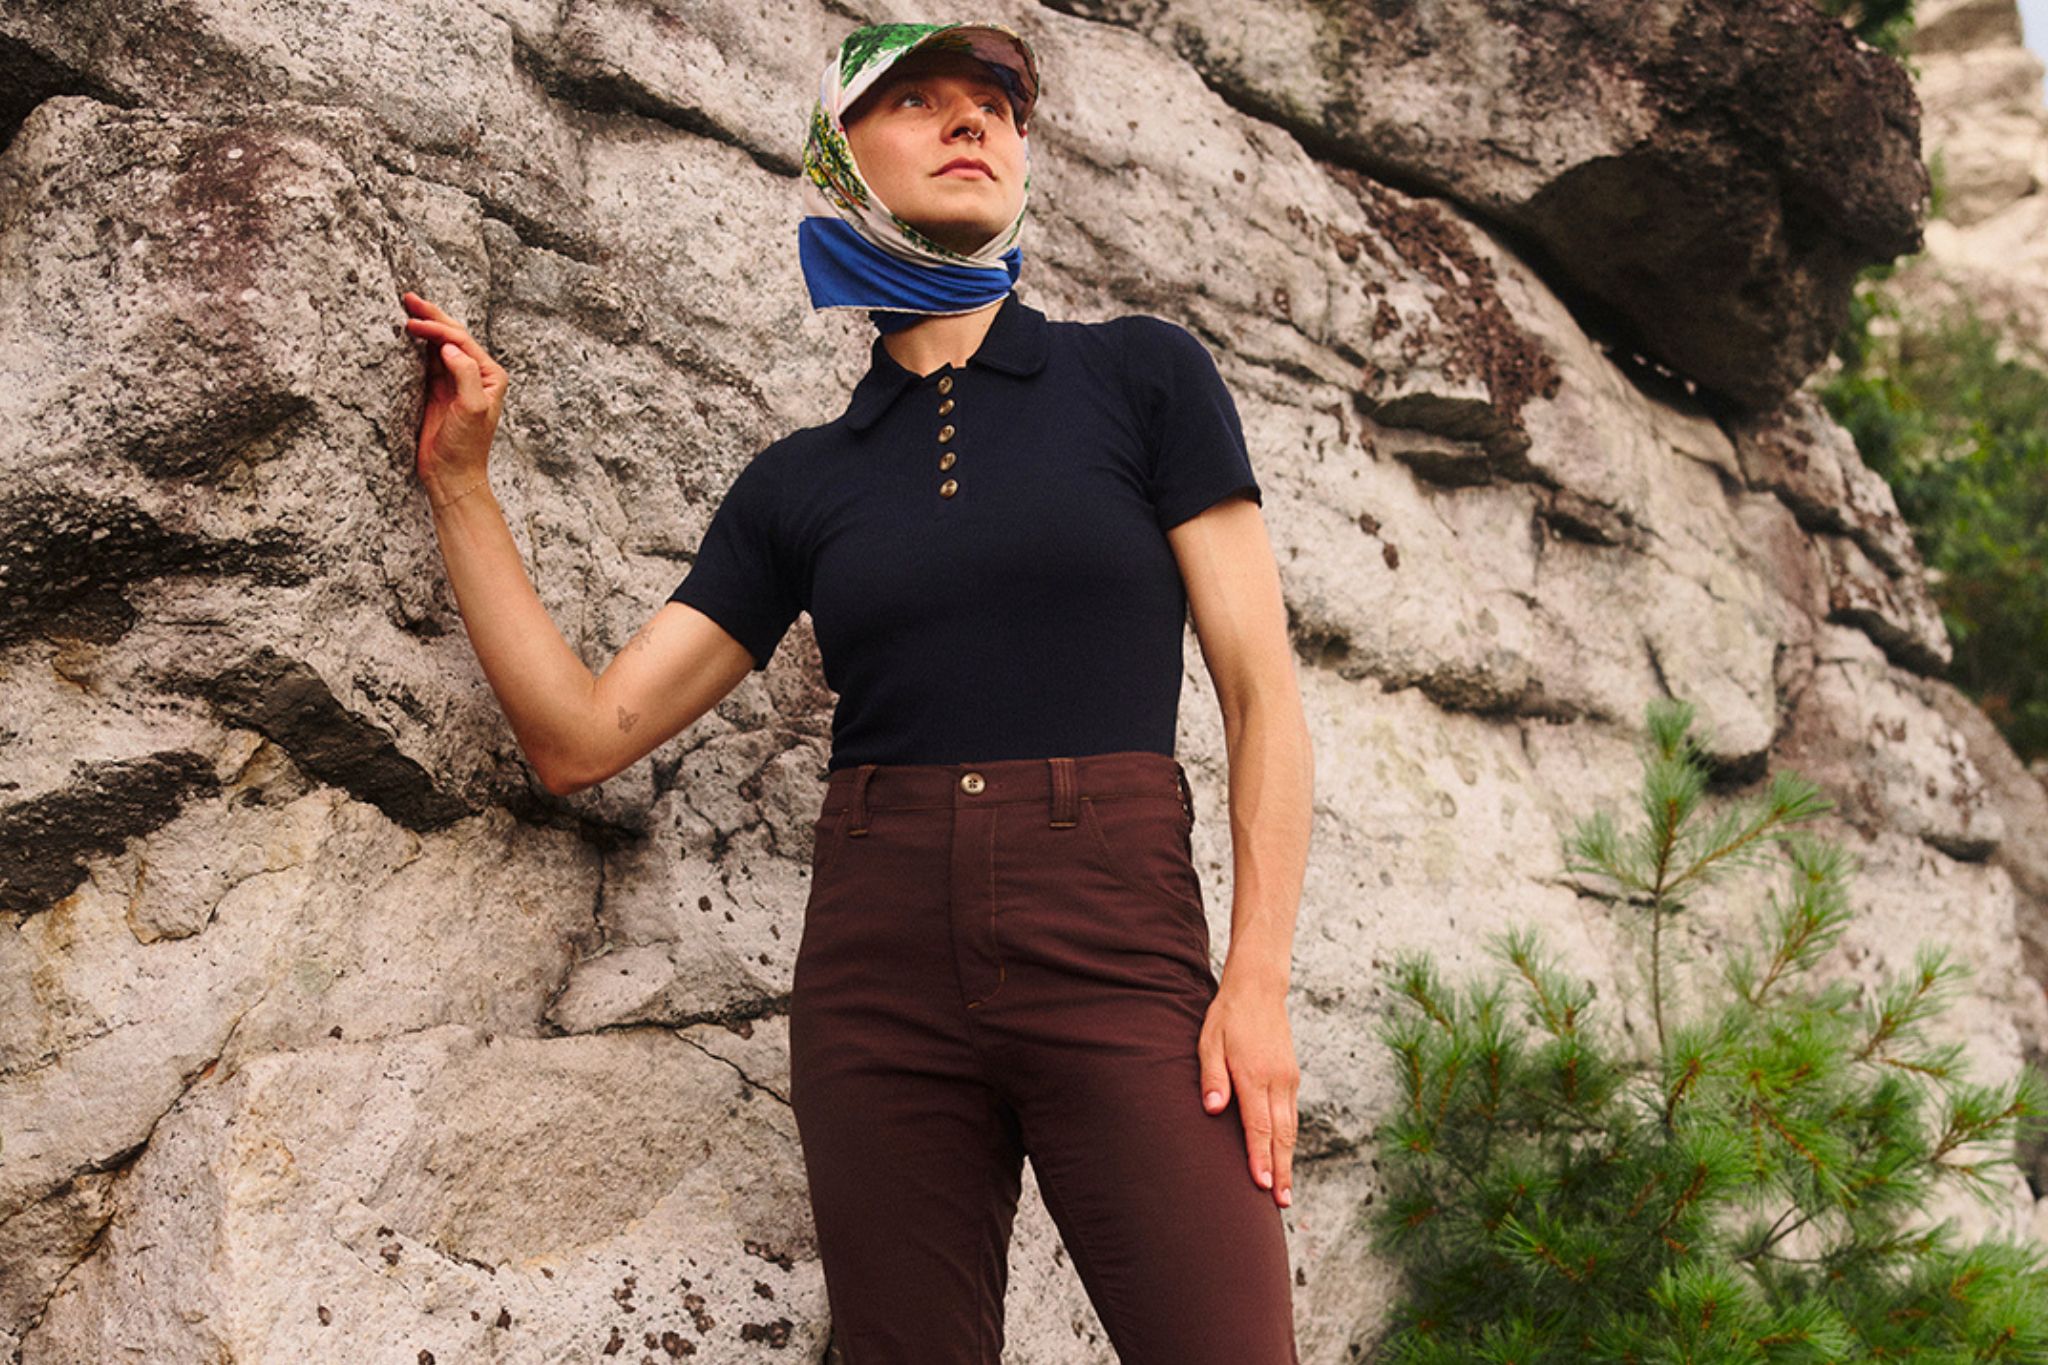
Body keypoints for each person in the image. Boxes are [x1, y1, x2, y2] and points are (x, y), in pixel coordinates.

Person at [401, 19, 1312, 1363]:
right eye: (919, 101)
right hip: (878, 970)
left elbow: (1261, 692)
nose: (972, 122)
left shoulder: (1141, 376)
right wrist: (462, 484)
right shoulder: (800, 484)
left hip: (1115, 944)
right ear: (838, 157)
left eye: (996, 105)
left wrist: (1258, 979)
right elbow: (578, 738)